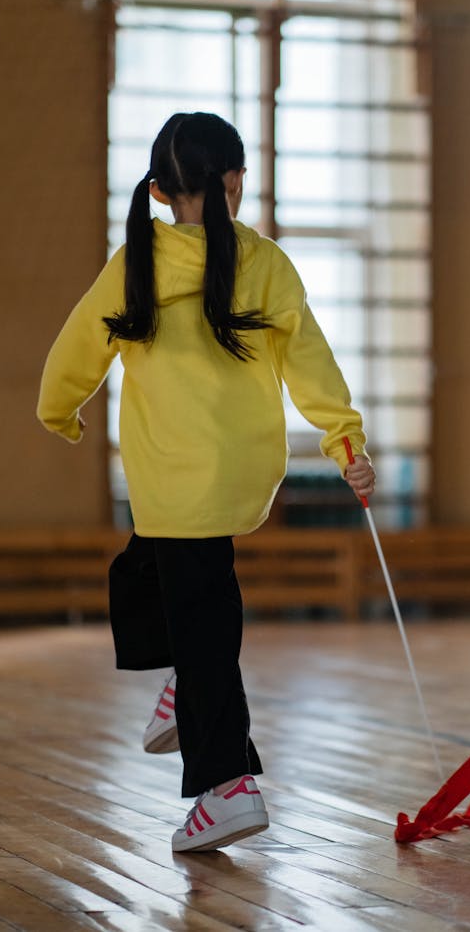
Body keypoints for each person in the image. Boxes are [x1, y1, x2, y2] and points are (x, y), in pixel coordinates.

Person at [37, 112, 375, 852]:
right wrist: (343, 436)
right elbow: (311, 361)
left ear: (160, 193)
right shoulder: (267, 263)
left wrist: (59, 410)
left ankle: (228, 788)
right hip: (239, 473)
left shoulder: (138, 261)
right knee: (144, 573)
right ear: (234, 183)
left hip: (169, 471)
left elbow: (77, 343)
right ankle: (185, 689)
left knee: (204, 624)